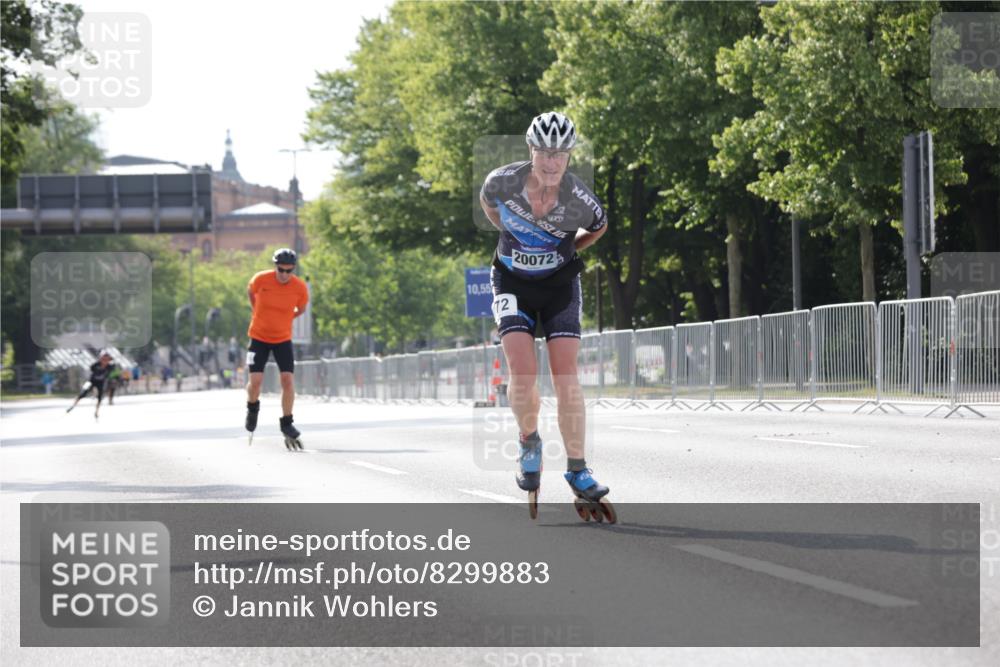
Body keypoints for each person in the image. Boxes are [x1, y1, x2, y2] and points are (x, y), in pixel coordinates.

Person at [479, 111, 613, 518]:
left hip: (559, 285)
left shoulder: (580, 199)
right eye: (544, 152)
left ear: (570, 155)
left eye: (560, 154)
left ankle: (577, 469)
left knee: (566, 377)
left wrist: (568, 249)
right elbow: (490, 207)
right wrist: (512, 238)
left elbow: (600, 227)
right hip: (511, 283)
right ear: (531, 150)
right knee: (522, 371)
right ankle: (529, 441)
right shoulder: (501, 182)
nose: (552, 162)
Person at [244, 247, 309, 449]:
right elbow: (250, 291)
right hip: (258, 337)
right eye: (281, 270)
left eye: (289, 271)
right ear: (275, 266)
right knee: (256, 381)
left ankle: (287, 422)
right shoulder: (261, 280)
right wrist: (257, 311)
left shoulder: (299, 287)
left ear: (294, 270)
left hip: (282, 339)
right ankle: (252, 408)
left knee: (287, 380)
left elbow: (302, 309)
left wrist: (286, 319)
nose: (284, 275)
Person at [66, 351, 116, 418]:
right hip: (91, 381)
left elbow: (108, 376)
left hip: (101, 383)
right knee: (83, 393)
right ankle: (72, 405)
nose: (105, 361)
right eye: (104, 359)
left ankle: (96, 412)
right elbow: (91, 370)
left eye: (107, 360)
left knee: (100, 397)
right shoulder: (96, 365)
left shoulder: (110, 367)